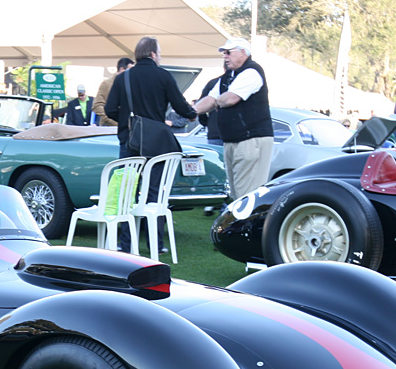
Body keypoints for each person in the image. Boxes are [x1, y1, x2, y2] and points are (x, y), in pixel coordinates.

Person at [105, 36, 196, 252]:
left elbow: (109, 110)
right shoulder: (163, 76)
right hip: (156, 145)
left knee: (128, 192)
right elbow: (180, 106)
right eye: (160, 53)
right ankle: (156, 244)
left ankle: (125, 244)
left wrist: (128, 121)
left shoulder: (122, 79)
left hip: (129, 141)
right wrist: (192, 114)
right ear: (153, 54)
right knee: (154, 191)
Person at [195, 37, 273, 201]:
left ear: (243, 53)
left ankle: (248, 226)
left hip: (251, 139)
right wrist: (190, 112)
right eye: (224, 53)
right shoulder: (228, 76)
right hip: (233, 140)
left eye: (229, 52)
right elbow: (211, 99)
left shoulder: (252, 71)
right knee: (236, 191)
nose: (225, 56)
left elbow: (231, 99)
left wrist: (217, 102)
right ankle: (240, 224)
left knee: (247, 193)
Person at [93, 57, 133, 127]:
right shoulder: (107, 84)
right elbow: (97, 106)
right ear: (122, 69)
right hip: (109, 128)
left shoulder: (128, 84)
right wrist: (110, 120)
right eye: (130, 70)